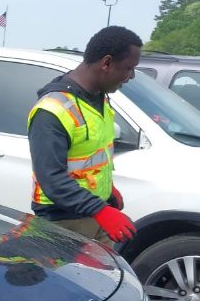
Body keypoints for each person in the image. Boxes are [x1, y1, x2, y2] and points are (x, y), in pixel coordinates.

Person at [28, 26, 142, 246]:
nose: (131, 76)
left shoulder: (99, 98)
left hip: (93, 213)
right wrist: (100, 210)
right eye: (129, 68)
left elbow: (91, 155)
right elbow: (51, 178)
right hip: (63, 224)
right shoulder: (52, 110)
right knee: (73, 280)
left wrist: (108, 191)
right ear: (106, 63)